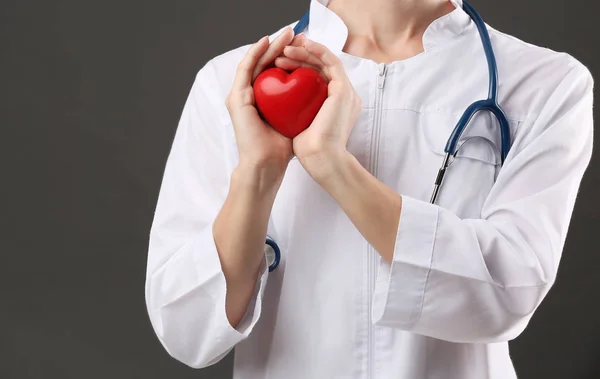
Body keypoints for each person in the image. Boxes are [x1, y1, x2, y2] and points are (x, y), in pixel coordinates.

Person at [144, 0, 594, 377]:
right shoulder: (230, 84)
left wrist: (332, 167)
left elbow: (506, 294)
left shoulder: (544, 85)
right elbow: (185, 329)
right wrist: (258, 171)